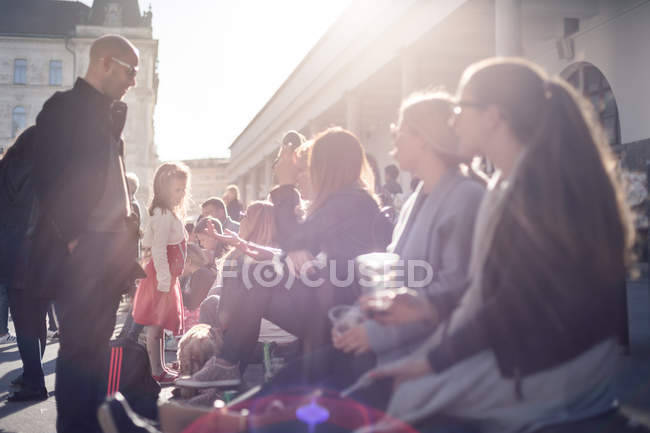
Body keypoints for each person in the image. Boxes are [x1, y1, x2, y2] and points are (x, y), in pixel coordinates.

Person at [364, 58, 635, 433]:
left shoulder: (540, 188)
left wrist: (434, 360)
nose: (453, 119)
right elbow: (491, 290)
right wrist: (428, 307)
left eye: (461, 108)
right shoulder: (508, 184)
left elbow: (512, 304)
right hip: (536, 354)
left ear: (493, 116)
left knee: (408, 404)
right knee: (406, 396)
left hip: (562, 369)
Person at [201, 127, 385, 379]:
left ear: (328, 166)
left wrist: (285, 186)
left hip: (337, 312)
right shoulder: (349, 198)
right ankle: (225, 364)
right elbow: (294, 249)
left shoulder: (351, 200)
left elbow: (296, 242)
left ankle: (226, 363)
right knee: (252, 271)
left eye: (308, 168)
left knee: (255, 274)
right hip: (328, 301)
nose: (301, 176)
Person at [28, 34, 142, 432]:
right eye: (131, 71)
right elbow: (46, 178)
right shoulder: (64, 108)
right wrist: (74, 238)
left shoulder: (110, 115)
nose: (134, 81)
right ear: (105, 63)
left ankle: (94, 424)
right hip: (85, 247)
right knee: (78, 348)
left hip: (111, 249)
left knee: (95, 350)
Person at [131, 162, 190, 383]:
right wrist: (164, 280)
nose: (182, 194)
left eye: (184, 189)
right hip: (161, 277)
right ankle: (156, 370)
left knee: (160, 323)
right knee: (155, 326)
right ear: (164, 189)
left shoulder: (168, 213)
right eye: (177, 190)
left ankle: (160, 367)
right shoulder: (163, 214)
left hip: (165, 276)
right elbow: (158, 248)